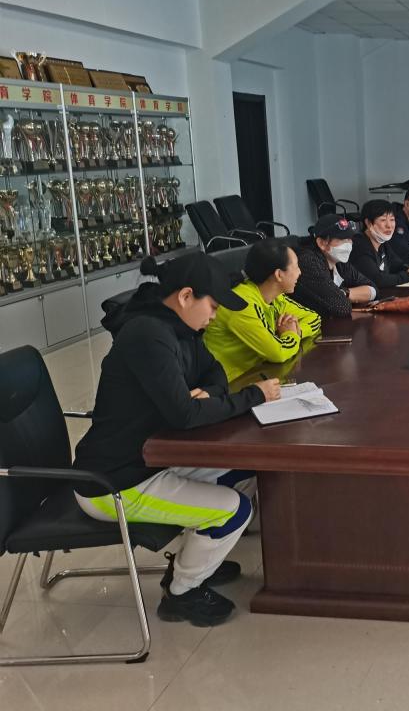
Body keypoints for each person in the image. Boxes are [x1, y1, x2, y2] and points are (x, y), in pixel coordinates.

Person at [73, 253, 281, 627]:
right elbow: (184, 416)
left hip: (152, 459)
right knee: (235, 510)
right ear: (186, 296)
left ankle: (197, 561)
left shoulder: (180, 328)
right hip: (114, 481)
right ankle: (182, 592)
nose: (215, 315)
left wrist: (209, 393)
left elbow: (215, 373)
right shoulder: (147, 335)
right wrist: (254, 396)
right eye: (213, 305)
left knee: (246, 474)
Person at [203, 239, 322, 381]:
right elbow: (278, 353)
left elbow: (314, 318)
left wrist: (296, 331)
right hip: (229, 383)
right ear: (279, 274)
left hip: (258, 373)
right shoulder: (242, 304)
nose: (300, 272)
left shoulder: (274, 297)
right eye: (296, 267)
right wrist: (290, 334)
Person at [292, 214, 378, 317]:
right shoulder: (308, 262)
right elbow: (342, 307)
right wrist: (344, 295)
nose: (348, 244)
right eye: (342, 239)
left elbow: (373, 289)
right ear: (321, 243)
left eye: (350, 239)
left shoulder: (339, 263)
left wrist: (344, 292)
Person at [351, 198, 409, 288]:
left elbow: (397, 265)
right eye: (383, 220)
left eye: (392, 219)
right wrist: (408, 275)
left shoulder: (382, 243)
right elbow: (377, 280)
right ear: (368, 223)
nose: (389, 225)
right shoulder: (359, 246)